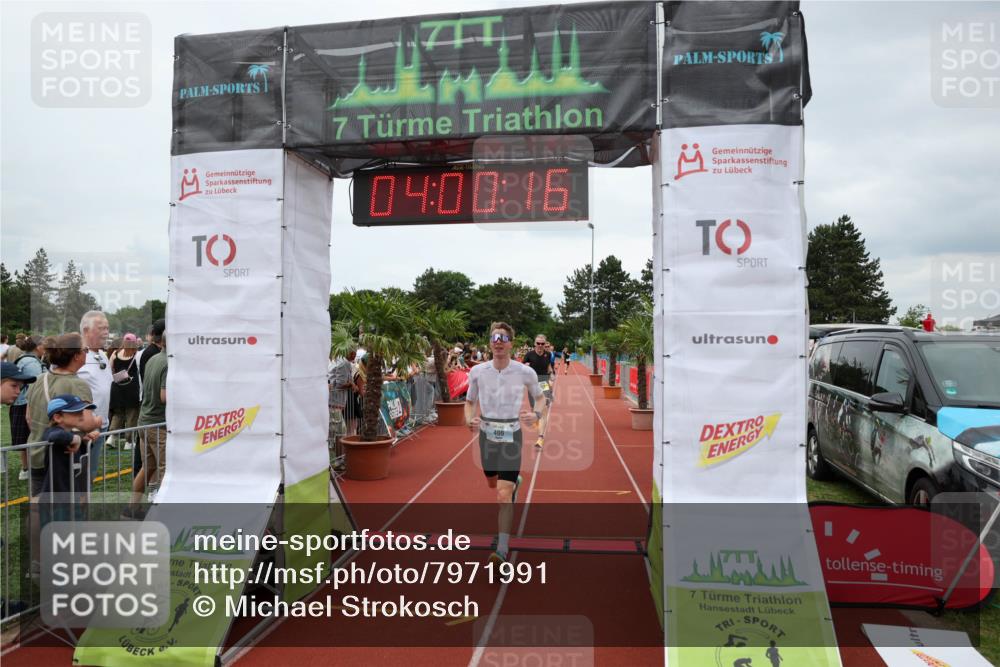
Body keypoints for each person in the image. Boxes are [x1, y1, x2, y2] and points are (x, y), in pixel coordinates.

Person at [465, 322, 546, 565]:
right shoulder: (478, 372)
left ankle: (501, 549)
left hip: (512, 435)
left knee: (502, 495)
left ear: (511, 343)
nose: (498, 341)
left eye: (503, 337)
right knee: (492, 483)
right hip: (487, 436)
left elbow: (540, 399)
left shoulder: (525, 372)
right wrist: (469, 419)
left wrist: (537, 415)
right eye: (494, 337)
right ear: (490, 343)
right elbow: (469, 402)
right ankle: (515, 482)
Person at [25, 333, 101, 497]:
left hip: (36, 453)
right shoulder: (78, 384)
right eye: (85, 350)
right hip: (64, 460)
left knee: (39, 509)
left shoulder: (39, 379)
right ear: (76, 356)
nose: (87, 353)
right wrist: (99, 421)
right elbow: (86, 423)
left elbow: (29, 419)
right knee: (70, 512)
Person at [132, 331, 168, 507]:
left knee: (147, 468)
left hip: (144, 421)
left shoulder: (153, 359)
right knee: (165, 470)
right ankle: (162, 513)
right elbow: (164, 396)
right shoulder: (169, 363)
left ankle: (131, 507)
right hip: (158, 425)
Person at [76, 311, 112, 482]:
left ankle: (83, 507)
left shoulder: (102, 354)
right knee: (76, 477)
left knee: (89, 476)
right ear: (86, 330)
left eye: (107, 328)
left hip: (101, 426)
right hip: (81, 430)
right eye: (101, 328)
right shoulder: (74, 356)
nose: (106, 332)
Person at [39, 394, 98, 497]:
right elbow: (54, 436)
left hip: (70, 490)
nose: (81, 414)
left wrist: (86, 443)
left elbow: (78, 454)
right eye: (75, 412)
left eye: (81, 411)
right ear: (57, 417)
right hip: (56, 494)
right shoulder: (52, 431)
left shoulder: (70, 433)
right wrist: (76, 439)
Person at [8, 336, 45, 480]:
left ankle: (25, 468)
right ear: (37, 346)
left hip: (20, 403)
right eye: (43, 345)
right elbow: (35, 386)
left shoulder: (24, 358)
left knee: (23, 438)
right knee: (30, 436)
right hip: (26, 404)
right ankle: (29, 468)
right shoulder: (32, 362)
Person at [521, 334, 555, 449]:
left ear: (545, 344)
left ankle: (540, 438)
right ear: (535, 344)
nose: (540, 345)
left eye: (542, 343)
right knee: (533, 408)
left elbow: (549, 367)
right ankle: (536, 417)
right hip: (532, 383)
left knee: (543, 409)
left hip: (543, 382)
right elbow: (522, 368)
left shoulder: (548, 354)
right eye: (538, 343)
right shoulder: (529, 355)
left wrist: (551, 376)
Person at [108, 333, 142, 449]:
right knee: (131, 415)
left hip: (117, 388)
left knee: (118, 414)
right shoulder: (137, 355)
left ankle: (112, 437)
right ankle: (129, 442)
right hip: (132, 389)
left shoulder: (115, 353)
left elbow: (110, 369)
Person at [328, 346, 357, 457]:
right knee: (339, 433)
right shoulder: (344, 363)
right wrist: (351, 384)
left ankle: (336, 459)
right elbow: (340, 383)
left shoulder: (339, 361)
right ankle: (336, 460)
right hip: (335, 403)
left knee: (335, 433)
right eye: (353, 352)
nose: (354, 355)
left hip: (334, 403)